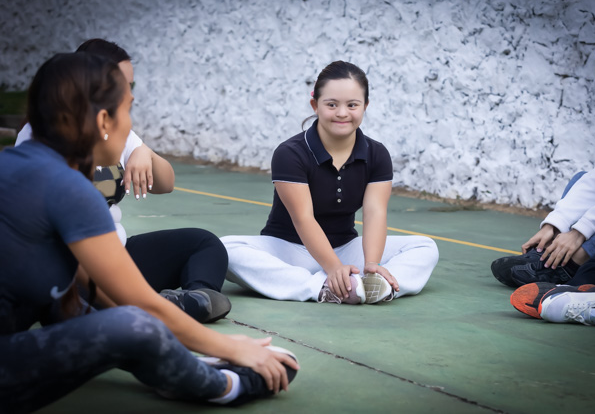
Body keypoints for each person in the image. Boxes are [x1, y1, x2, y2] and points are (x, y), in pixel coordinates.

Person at [0, 52, 298, 412]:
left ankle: (180, 370)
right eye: (128, 110)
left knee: (75, 305)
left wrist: (185, 351)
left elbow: (83, 297)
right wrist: (233, 348)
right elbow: (138, 305)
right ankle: (224, 386)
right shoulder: (69, 188)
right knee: (134, 322)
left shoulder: (20, 165)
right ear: (103, 121)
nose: (132, 127)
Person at [15, 39, 231, 323]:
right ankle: (157, 310)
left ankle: (194, 300)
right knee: (82, 299)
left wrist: (144, 151)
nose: (128, 93)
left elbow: (165, 183)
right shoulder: (41, 139)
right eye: (121, 83)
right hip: (75, 265)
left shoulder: (117, 127)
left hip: (117, 254)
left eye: (131, 85)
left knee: (203, 242)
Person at [221, 61, 439, 304]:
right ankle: (324, 287)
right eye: (332, 104)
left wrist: (371, 265)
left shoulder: (377, 153)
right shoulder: (290, 153)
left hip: (346, 249)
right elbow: (303, 218)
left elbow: (375, 212)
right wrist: (333, 268)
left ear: (365, 106)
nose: (342, 113)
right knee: (226, 248)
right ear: (315, 105)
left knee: (425, 246)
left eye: (352, 105)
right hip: (290, 249)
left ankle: (378, 285)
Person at [491, 36, 595, 288]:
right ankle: (548, 255)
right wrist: (555, 224)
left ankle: (572, 264)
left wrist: (579, 233)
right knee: (582, 178)